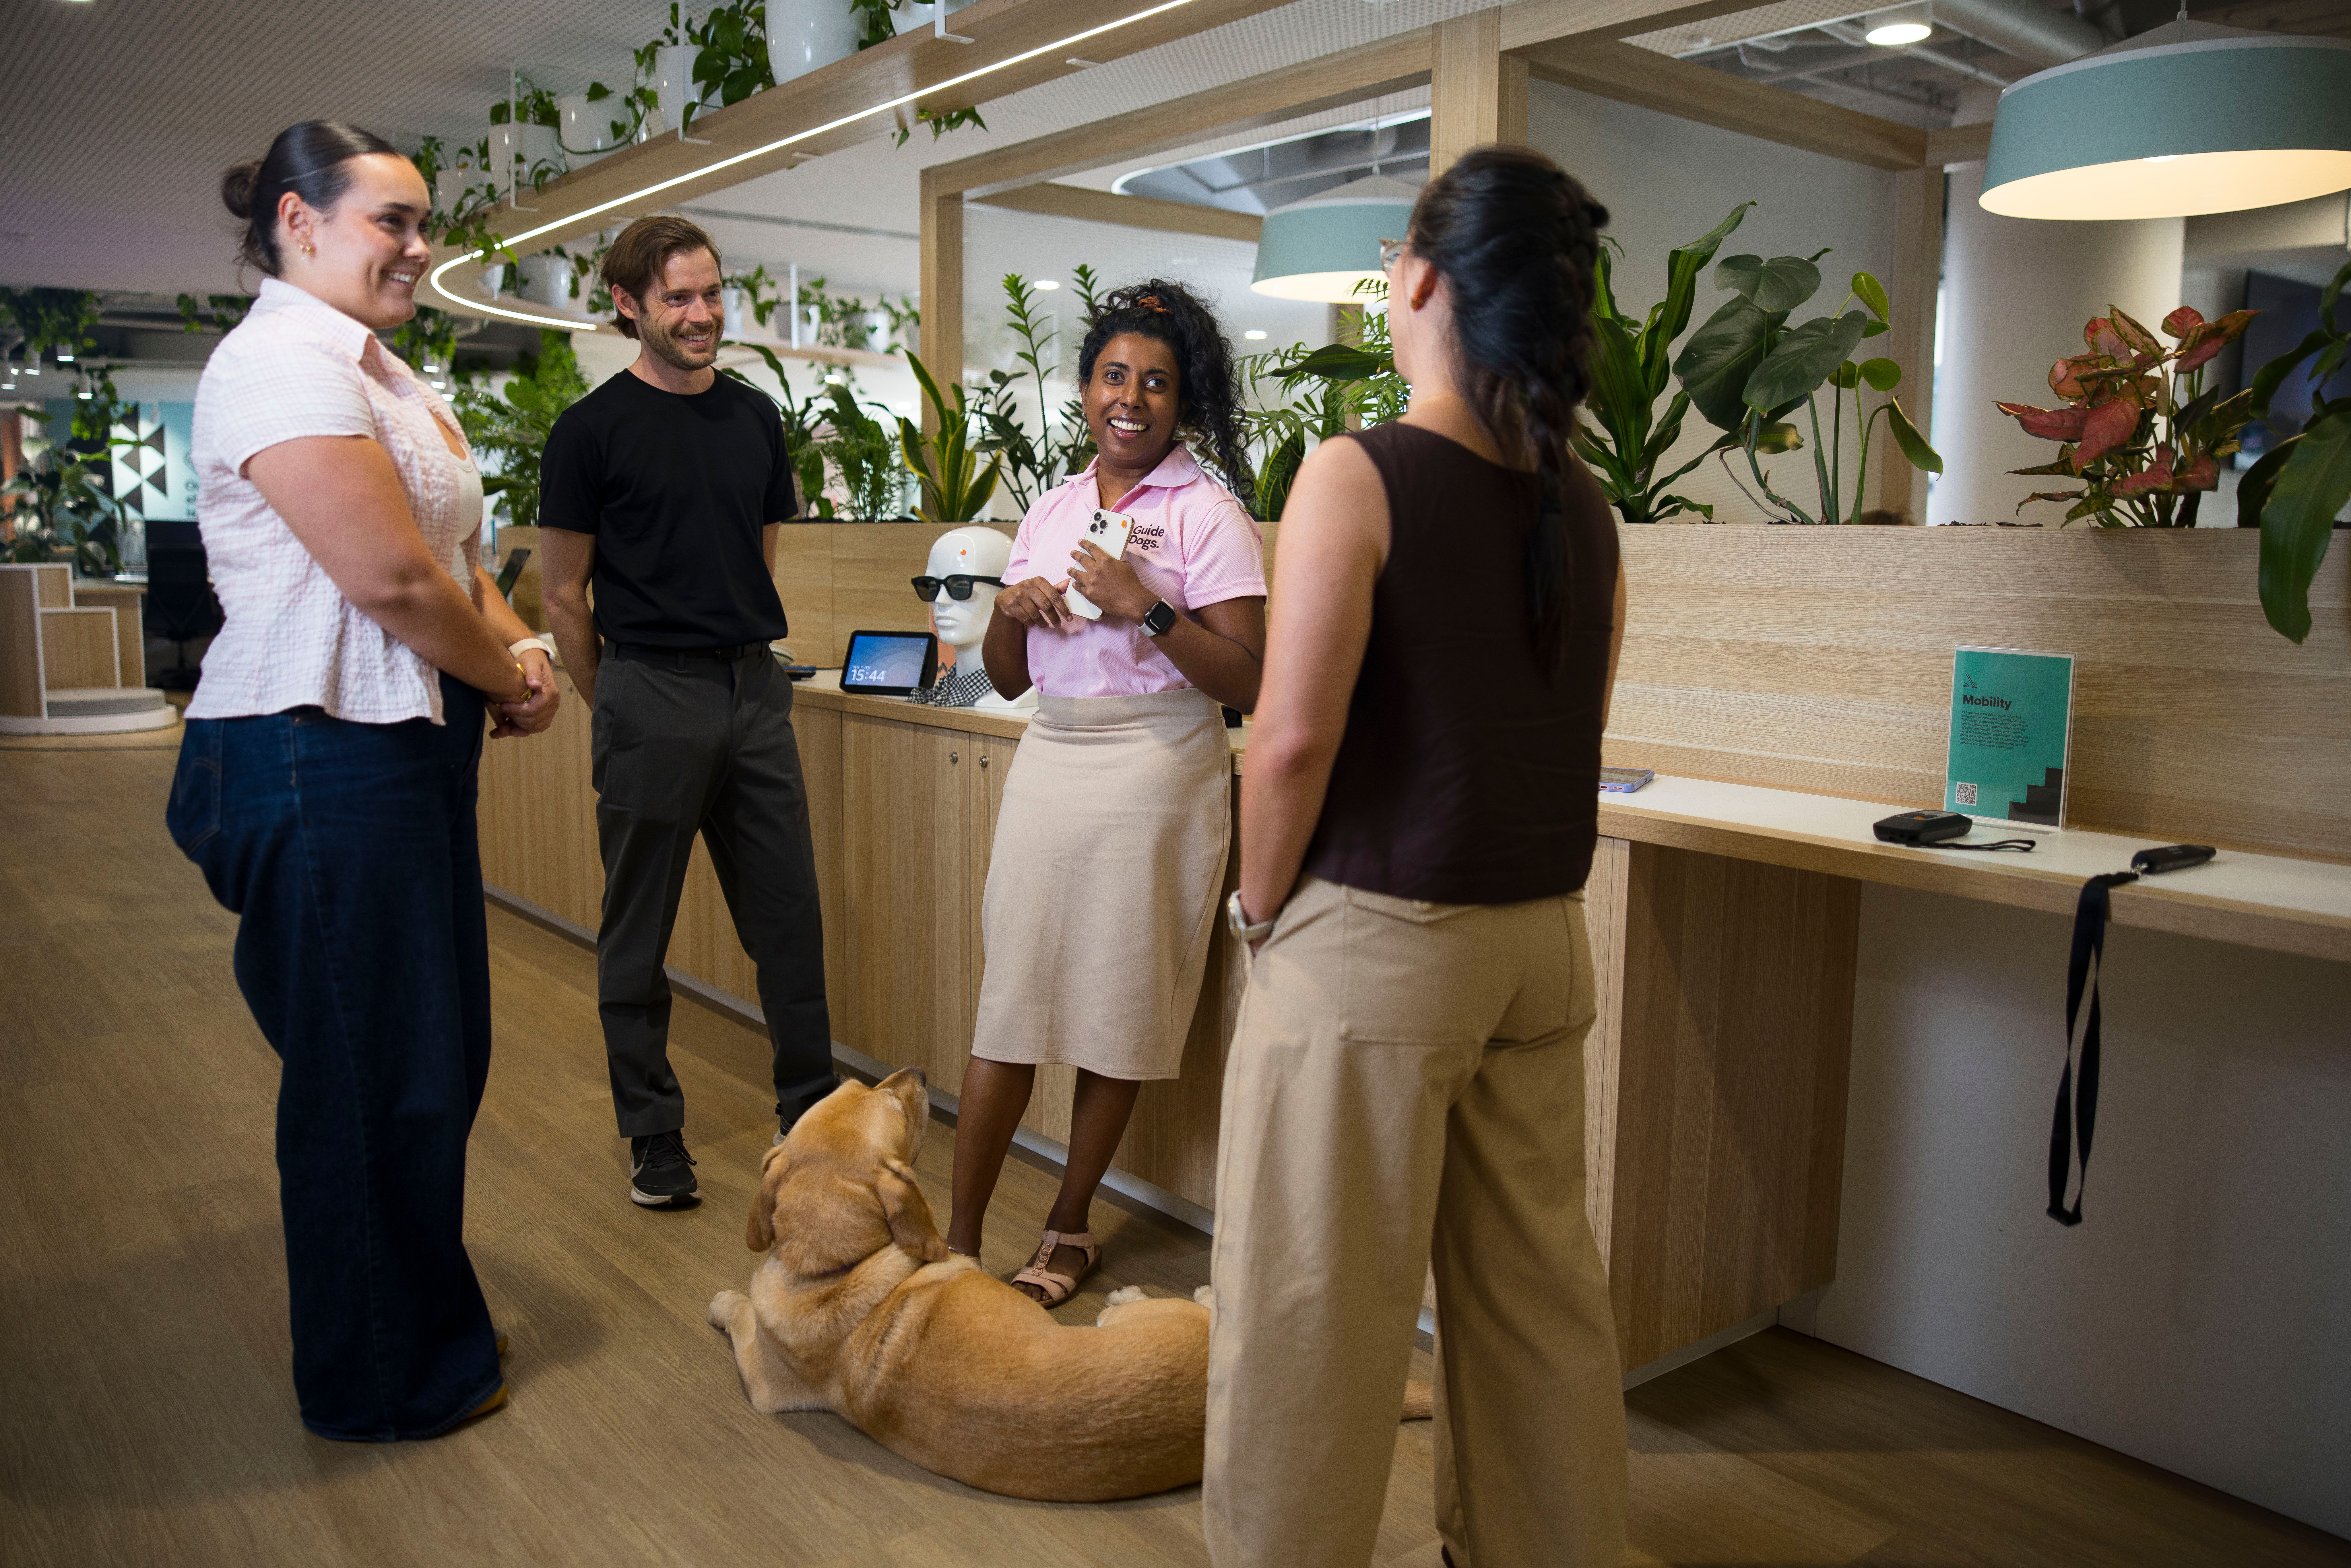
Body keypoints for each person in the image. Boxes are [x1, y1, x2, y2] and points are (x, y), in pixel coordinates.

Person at [1202, 146, 1631, 1567]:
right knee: (1534, 1309)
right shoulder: (1585, 512)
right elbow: (1564, 724)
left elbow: (1286, 743)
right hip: (1539, 946)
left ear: (1425, 280)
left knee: (1309, 1311)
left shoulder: (1357, 472)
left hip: (1377, 951)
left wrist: (1257, 911)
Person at [166, 121, 560, 1441]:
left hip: (393, 749)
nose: (418, 244)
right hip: (310, 748)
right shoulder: (278, 363)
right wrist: (501, 680)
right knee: (367, 1081)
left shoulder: (378, 370)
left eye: (420, 219)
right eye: (391, 218)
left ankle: (419, 1325)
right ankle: (382, 1376)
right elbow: (385, 581)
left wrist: (519, 647)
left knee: (432, 1064)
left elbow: (449, 564)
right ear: (299, 220)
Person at [946, 280, 1266, 1305]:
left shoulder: (1209, 513)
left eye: (1157, 383)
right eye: (1114, 376)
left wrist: (1151, 610)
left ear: (1185, 401)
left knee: (1117, 1005)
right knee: (1012, 1003)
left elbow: (1249, 682)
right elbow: (1006, 676)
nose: (1131, 398)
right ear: (1086, 388)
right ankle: (955, 1249)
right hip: (1056, 755)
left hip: (1161, 769)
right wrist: (1013, 606)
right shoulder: (1053, 509)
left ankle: (1068, 1226)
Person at [538, 215, 833, 1210]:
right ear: (629, 305)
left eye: (712, 294)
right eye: (679, 299)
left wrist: (744, 654)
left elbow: (760, 554)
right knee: (638, 933)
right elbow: (560, 593)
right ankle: (654, 1132)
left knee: (789, 919)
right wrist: (614, 700)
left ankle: (811, 1113)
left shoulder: (753, 417)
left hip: (754, 690)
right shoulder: (587, 431)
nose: (703, 315)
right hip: (647, 690)